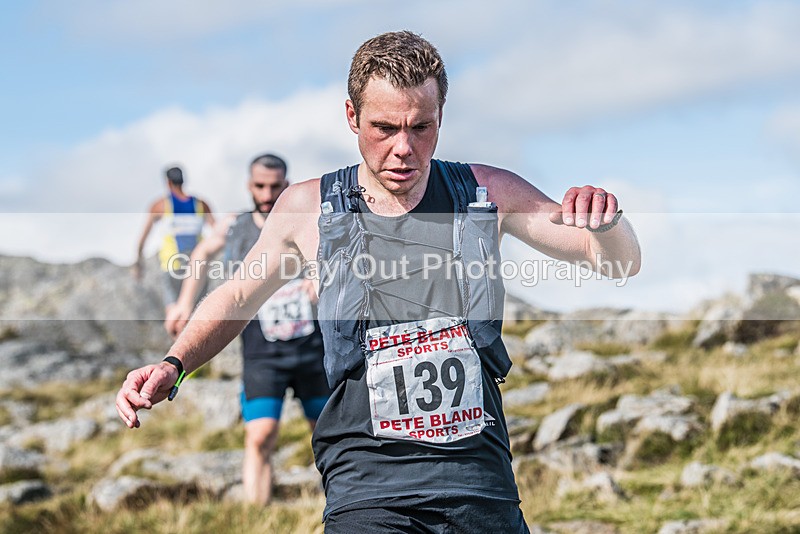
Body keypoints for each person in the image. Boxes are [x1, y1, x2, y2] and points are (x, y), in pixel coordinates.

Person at [116, 31, 641, 533]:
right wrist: (173, 364)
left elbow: (617, 263)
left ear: (441, 117)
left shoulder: (487, 191)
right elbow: (237, 295)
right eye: (384, 128)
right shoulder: (307, 207)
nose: (403, 148)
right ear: (352, 116)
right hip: (366, 484)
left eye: (421, 127)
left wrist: (607, 223)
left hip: (477, 477)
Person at [164, 154, 330, 505]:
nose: (267, 194)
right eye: (260, 186)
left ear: (286, 185)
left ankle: (336, 508)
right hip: (262, 353)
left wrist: (319, 280)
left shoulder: (307, 221)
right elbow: (201, 254)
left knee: (328, 435)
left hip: (312, 350)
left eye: (275, 186)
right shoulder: (235, 227)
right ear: (249, 186)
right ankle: (256, 515)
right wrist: (184, 303)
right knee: (260, 435)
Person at [134, 165, 214, 314]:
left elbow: (143, 238)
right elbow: (218, 231)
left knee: (174, 312)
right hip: (197, 265)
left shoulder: (160, 205)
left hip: (172, 264)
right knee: (197, 312)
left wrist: (139, 262)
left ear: (168, 182)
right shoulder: (201, 204)